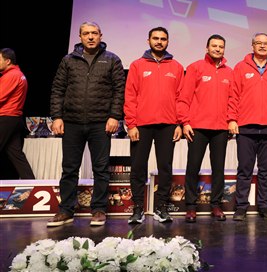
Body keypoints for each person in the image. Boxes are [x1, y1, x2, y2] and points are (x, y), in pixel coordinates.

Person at [48, 21, 126, 227]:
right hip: (72, 122)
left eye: (94, 33)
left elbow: (119, 90)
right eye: (86, 33)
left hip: (100, 123)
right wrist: (57, 116)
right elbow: (58, 89)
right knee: (69, 168)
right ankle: (66, 210)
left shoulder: (112, 59)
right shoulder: (68, 60)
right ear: (80, 36)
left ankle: (99, 209)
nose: (90, 37)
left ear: (100, 35)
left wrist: (114, 116)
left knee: (101, 169)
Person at [227, 33, 267, 221]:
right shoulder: (240, 67)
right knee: (244, 169)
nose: (262, 46)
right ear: (252, 45)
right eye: (258, 43)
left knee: (266, 170)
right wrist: (232, 119)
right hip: (246, 127)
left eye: (266, 43)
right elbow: (233, 95)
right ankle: (241, 207)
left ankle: (264, 205)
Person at [124, 27, 184, 224]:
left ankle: (161, 207)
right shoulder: (137, 65)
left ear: (168, 42)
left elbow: (181, 98)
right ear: (148, 40)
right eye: (155, 38)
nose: (159, 41)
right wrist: (131, 124)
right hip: (141, 125)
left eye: (163, 39)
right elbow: (130, 96)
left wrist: (179, 123)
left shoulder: (176, 67)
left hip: (168, 125)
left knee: (165, 167)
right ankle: (138, 208)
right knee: (138, 167)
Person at [178, 34, 233, 223]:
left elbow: (233, 100)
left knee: (218, 168)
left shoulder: (230, 72)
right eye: (214, 46)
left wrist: (231, 121)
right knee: (193, 167)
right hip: (197, 127)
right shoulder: (195, 68)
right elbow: (184, 98)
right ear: (207, 48)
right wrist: (185, 122)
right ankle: (190, 206)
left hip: (221, 128)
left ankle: (216, 205)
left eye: (221, 46)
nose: (217, 49)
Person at [0, 48, 35, 180]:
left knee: (16, 154)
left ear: (8, 61)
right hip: (13, 119)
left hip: (6, 117)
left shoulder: (11, 75)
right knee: (16, 154)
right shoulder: (17, 74)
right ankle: (31, 183)